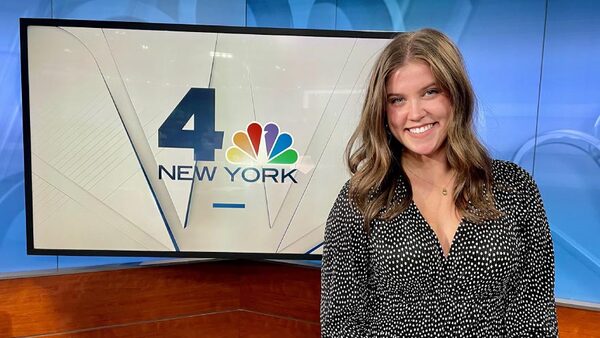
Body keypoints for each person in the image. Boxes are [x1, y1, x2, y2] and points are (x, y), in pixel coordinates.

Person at [320, 28, 558, 337]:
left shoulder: (514, 187)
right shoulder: (362, 197)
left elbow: (534, 311)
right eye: (397, 100)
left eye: (430, 92)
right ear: (383, 110)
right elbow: (342, 323)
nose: (415, 113)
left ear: (456, 94)